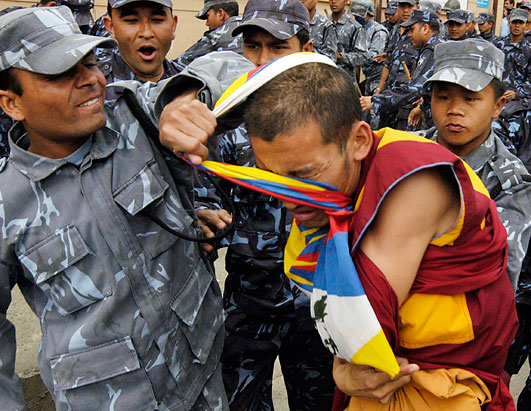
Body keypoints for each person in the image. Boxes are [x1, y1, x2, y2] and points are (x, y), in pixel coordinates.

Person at [162, 50, 518, 410]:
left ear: (360, 140)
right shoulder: (339, 179)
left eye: (304, 176)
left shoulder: (415, 180)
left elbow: (363, 331)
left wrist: (343, 372)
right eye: (270, 176)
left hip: (440, 386)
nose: (287, 198)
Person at [0, 5, 256, 410]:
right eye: (61, 74)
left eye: (90, 62)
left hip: (203, 377)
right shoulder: (5, 203)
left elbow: (230, 64)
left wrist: (180, 98)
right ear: (12, 103)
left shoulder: (132, 113)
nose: (91, 80)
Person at [193, 0, 336, 409]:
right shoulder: (227, 123)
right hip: (249, 304)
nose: (263, 59)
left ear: (304, 50)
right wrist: (205, 216)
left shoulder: (332, 122)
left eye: (278, 47)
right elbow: (206, 191)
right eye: (253, 46)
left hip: (317, 308)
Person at [361, 9, 441, 132]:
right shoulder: (435, 46)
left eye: (412, 29)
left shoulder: (431, 50)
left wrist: (376, 101)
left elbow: (416, 88)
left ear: (425, 28)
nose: (409, 35)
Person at [100, 0, 180, 98]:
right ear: (110, 27)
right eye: (131, 20)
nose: (146, 33)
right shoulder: (92, 87)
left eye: (157, 19)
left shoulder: (193, 85)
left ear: (173, 26)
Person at [373, 0, 418, 129]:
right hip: (389, 94)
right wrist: (379, 90)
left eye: (409, 6)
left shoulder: (420, 34)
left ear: (417, 7)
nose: (405, 10)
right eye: (402, 6)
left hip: (406, 99)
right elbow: (388, 63)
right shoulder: (396, 30)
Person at [175, 0, 243, 70]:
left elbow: (178, 65)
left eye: (208, 16)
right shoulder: (251, 31)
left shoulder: (215, 37)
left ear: (220, 14)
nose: (207, 23)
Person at [350, 0, 388, 96]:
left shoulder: (378, 32)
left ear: (369, 13)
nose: (357, 16)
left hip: (378, 80)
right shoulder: (360, 30)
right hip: (368, 78)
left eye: (361, 12)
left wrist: (351, 57)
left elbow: (374, 56)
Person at [328, 0, 369, 83]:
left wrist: (341, 57)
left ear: (346, 1)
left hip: (344, 82)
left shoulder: (355, 27)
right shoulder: (323, 24)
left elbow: (363, 56)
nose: (333, 2)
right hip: (325, 80)